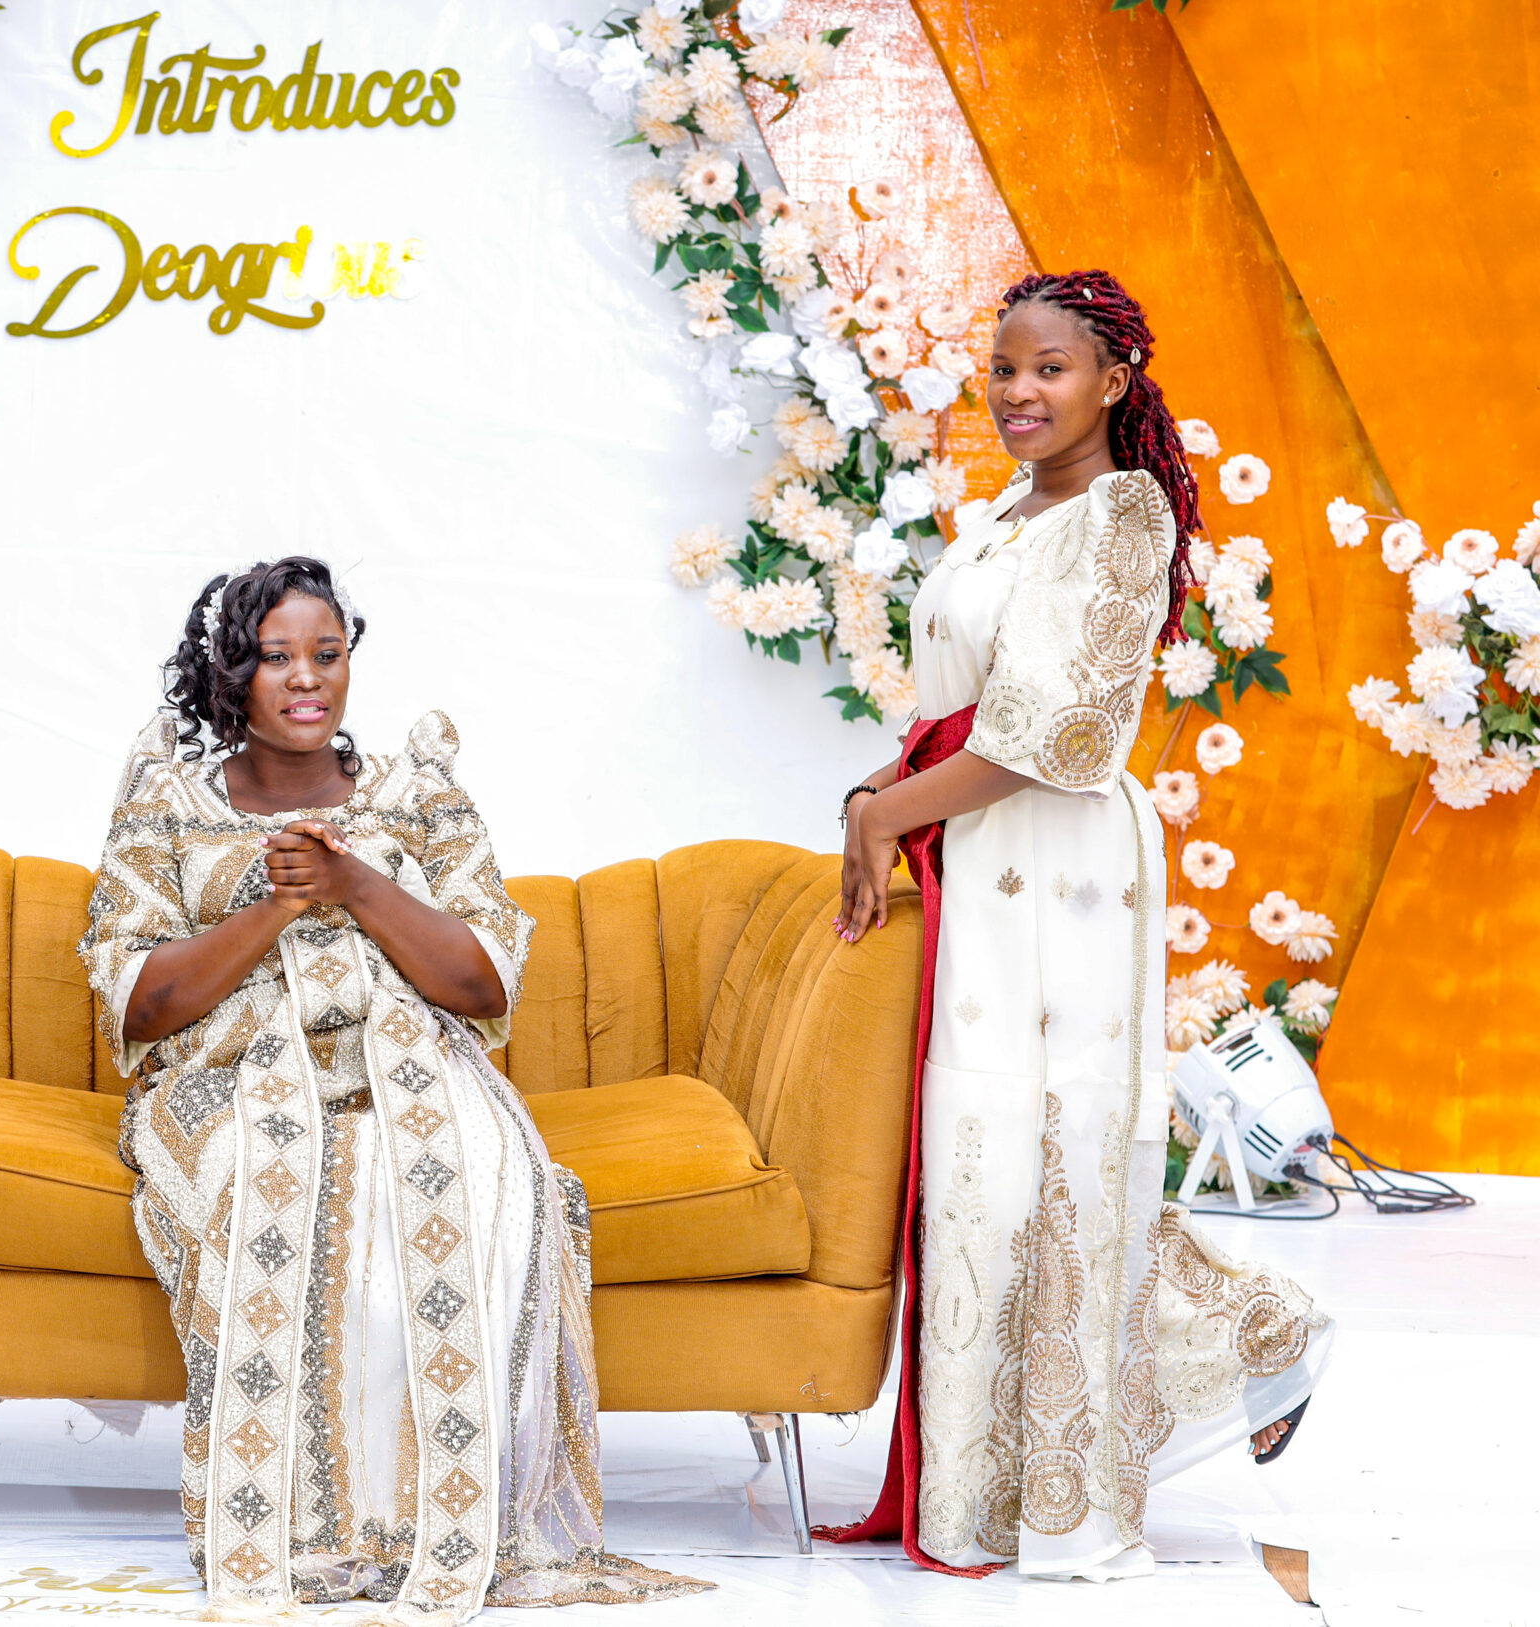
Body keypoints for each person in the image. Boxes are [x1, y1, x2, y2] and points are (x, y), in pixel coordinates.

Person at [79, 558, 707, 1620]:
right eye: (276, 657)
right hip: (233, 1074)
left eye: (326, 654)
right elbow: (141, 1004)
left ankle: (438, 1522)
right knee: (275, 1178)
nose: (306, 678)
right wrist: (275, 907)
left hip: (415, 1061)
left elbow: (484, 981)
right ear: (229, 672)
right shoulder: (166, 805)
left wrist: (354, 882)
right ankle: (306, 1527)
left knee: (479, 1175)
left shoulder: (420, 794)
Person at [824, 271, 1332, 1578]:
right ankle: (1227, 1343)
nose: (1017, 392)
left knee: (1045, 1156)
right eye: (1003, 368)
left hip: (1059, 875)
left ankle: (1065, 1485)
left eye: (1047, 368)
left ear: (1113, 381)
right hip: (978, 852)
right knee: (991, 1164)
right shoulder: (1004, 514)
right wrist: (874, 801)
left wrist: (882, 815)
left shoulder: (1122, 515)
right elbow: (956, 710)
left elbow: (1052, 733)